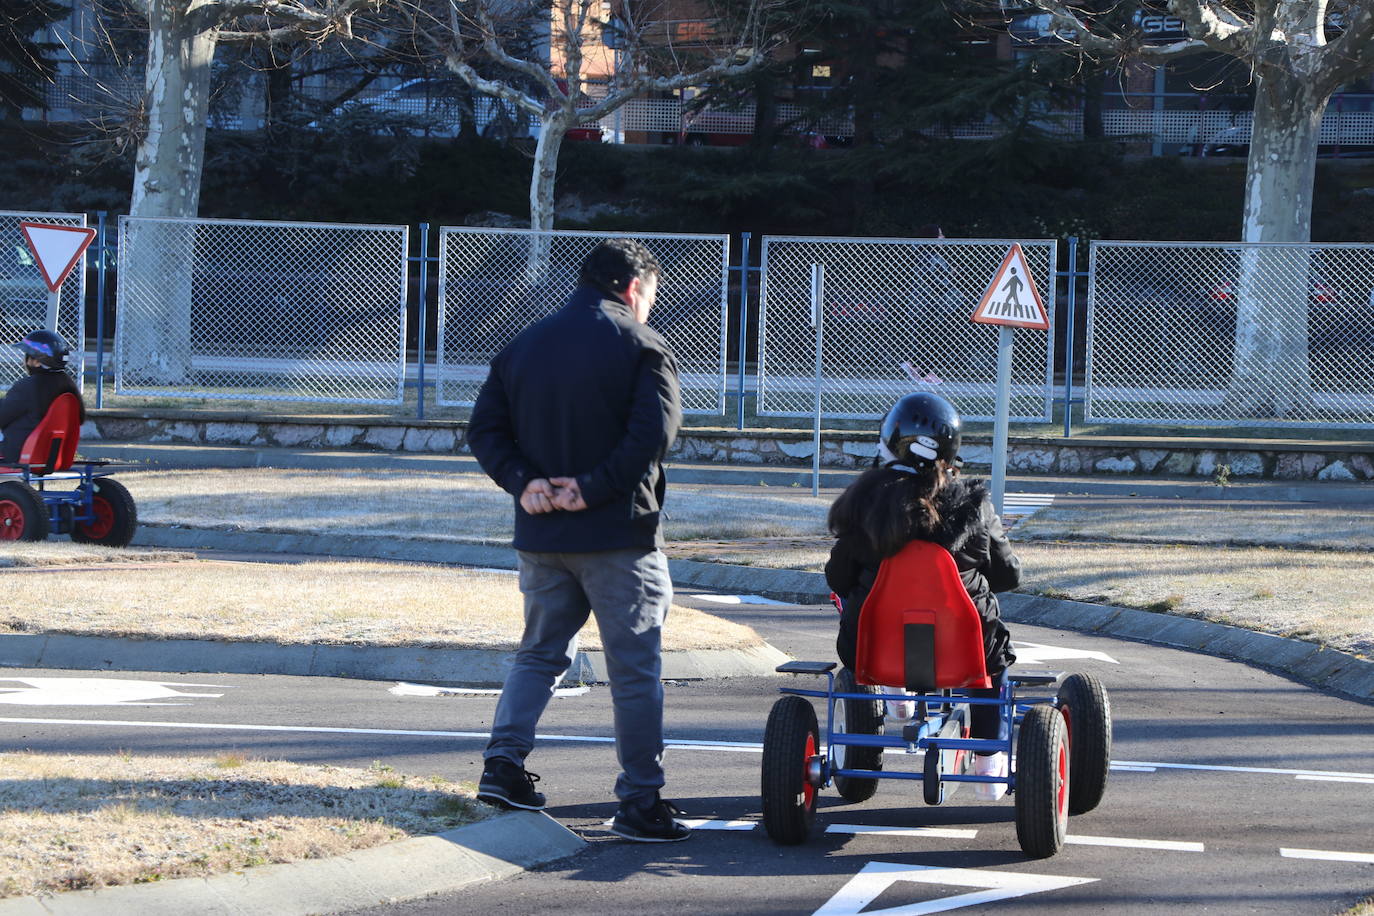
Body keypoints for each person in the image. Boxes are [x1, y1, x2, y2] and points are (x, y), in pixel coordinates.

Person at [467, 238, 690, 843]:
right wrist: (591, 488)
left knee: (538, 654)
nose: (649, 306)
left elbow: (484, 428)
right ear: (632, 287)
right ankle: (640, 801)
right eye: (650, 295)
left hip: (541, 534)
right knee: (634, 671)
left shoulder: (524, 343)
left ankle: (502, 767)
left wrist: (525, 483)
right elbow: (654, 434)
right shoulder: (643, 345)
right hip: (619, 537)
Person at [825, 391, 1019, 800]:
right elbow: (1006, 574)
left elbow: (839, 576)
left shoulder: (862, 505)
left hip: (873, 647)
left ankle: (896, 691)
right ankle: (989, 756)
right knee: (992, 654)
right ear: (951, 454)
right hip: (964, 649)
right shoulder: (973, 507)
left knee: (873, 608)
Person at [0, 330, 86, 465]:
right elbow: (80, 419)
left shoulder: (27, 387)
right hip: (55, 453)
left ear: (36, 361)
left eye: (27, 356)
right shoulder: (68, 385)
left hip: (19, 451)